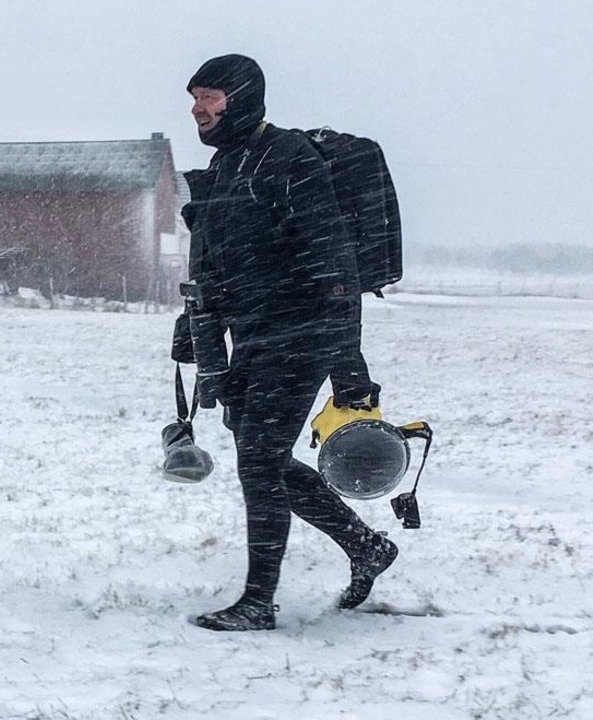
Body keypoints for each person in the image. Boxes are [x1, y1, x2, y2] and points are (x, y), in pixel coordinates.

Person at [176, 53, 397, 631]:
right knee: (262, 452)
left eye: (211, 97)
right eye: (195, 97)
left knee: (258, 460)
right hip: (255, 332)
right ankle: (365, 546)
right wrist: (194, 331)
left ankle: (257, 601)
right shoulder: (227, 165)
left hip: (302, 330)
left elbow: (334, 263)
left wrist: (348, 365)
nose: (199, 109)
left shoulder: (288, 158)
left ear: (243, 96)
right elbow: (216, 263)